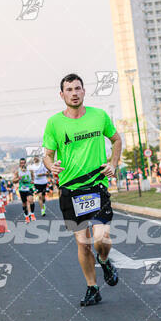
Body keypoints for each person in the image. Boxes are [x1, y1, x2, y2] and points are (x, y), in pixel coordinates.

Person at [43, 73, 122, 307]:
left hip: (96, 185)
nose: (74, 93)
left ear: (84, 91)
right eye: (69, 90)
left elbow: (116, 140)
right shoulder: (54, 123)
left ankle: (105, 260)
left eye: (78, 88)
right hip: (70, 190)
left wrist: (113, 163)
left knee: (101, 238)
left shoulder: (99, 116)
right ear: (62, 95)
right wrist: (51, 166)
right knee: (83, 243)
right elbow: (47, 155)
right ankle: (92, 287)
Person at [13, 158, 35, 223]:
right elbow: (13, 181)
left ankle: (32, 214)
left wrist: (32, 181)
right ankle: (26, 216)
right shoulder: (17, 171)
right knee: (24, 203)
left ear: (26, 163)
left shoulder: (30, 170)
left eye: (24, 163)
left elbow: (33, 177)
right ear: (20, 164)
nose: (22, 164)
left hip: (29, 187)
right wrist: (18, 179)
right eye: (21, 163)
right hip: (22, 188)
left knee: (30, 199)